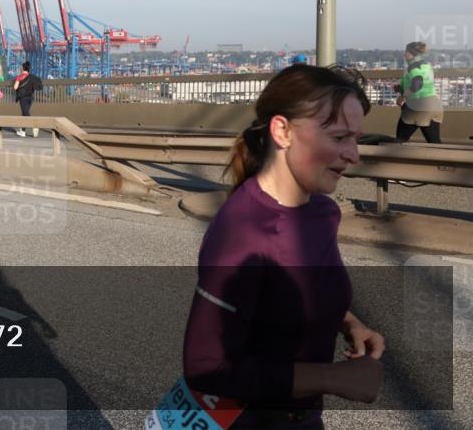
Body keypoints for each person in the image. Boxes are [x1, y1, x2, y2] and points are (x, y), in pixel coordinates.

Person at [183, 65, 385, 429]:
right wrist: (332, 378)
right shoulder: (242, 232)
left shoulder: (322, 212)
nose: (354, 155)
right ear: (282, 131)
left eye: (357, 139)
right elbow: (205, 367)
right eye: (340, 137)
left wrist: (350, 323)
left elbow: (294, 294)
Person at [395, 41, 443, 144]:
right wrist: (400, 88)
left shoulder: (413, 66)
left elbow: (418, 83)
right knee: (435, 143)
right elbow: (424, 84)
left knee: (399, 141)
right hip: (434, 106)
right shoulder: (427, 66)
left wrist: (402, 97)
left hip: (418, 106)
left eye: (406, 51)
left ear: (411, 53)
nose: (404, 54)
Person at [13, 61, 41, 137]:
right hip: (30, 97)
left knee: (25, 113)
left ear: (23, 68)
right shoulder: (32, 77)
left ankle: (34, 126)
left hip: (23, 98)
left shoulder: (19, 77)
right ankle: (23, 131)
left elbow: (15, 87)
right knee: (25, 113)